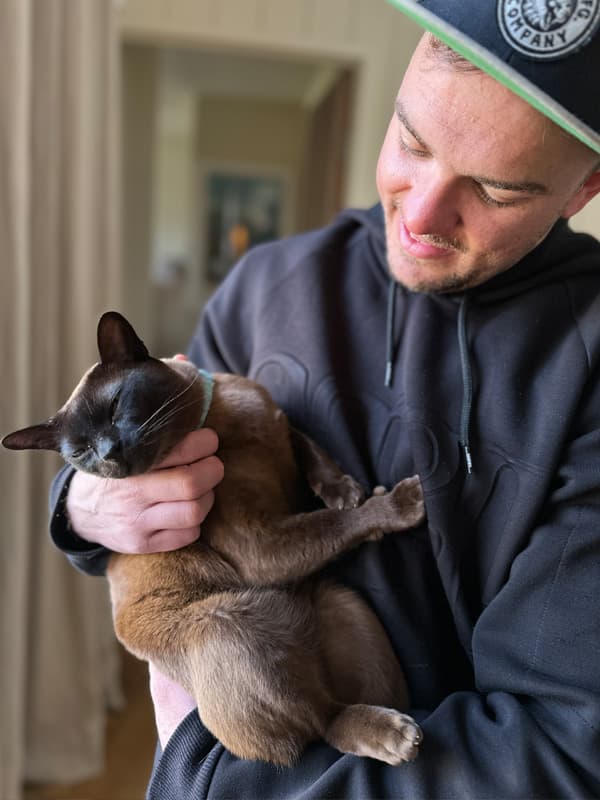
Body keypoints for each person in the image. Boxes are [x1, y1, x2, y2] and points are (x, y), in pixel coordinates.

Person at [49, 0, 600, 796]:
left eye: (494, 189)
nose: (419, 215)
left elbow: (564, 748)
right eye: (410, 142)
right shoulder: (271, 282)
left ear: (584, 186)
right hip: (247, 691)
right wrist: (83, 511)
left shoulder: (584, 369)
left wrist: (205, 779)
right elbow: (156, 475)